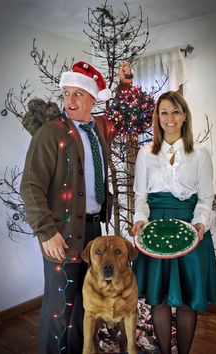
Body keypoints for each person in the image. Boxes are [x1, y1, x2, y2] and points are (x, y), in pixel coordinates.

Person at [20, 61, 133, 354]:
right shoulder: (50, 133)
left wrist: (124, 86)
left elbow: (122, 116)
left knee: (85, 310)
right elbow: (31, 186)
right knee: (60, 311)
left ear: (93, 98)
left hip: (95, 234)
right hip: (62, 233)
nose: (69, 101)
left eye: (78, 94)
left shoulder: (99, 128)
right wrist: (46, 232)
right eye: (66, 93)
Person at [131, 91, 216, 354]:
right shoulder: (145, 154)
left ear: (184, 116)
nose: (169, 118)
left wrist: (200, 223)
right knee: (158, 301)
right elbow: (140, 197)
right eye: (164, 112)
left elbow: (205, 198)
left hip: (190, 228)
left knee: (186, 303)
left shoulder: (200, 154)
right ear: (157, 118)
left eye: (175, 112)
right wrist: (139, 220)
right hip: (153, 229)